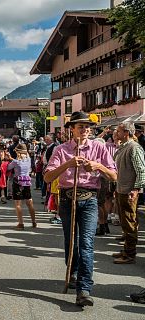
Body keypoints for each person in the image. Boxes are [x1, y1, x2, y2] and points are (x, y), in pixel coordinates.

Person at [44, 111, 117, 307]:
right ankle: (73, 271)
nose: (85, 130)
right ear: (72, 130)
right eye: (80, 126)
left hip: (90, 200)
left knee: (86, 243)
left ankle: (84, 288)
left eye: (87, 126)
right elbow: (48, 178)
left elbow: (114, 176)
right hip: (68, 201)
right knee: (71, 241)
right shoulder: (61, 150)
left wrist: (98, 167)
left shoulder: (99, 149)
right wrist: (68, 164)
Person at [111, 121, 145, 264]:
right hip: (122, 189)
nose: (116, 134)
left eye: (118, 131)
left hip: (129, 191)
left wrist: (136, 189)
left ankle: (130, 254)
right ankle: (126, 250)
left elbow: (141, 171)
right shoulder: (124, 147)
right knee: (125, 222)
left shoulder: (134, 148)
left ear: (126, 132)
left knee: (130, 222)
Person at [7, 144, 36, 229]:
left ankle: (21, 223)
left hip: (17, 182)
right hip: (26, 182)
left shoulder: (15, 161)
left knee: (18, 204)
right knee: (29, 203)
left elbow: (9, 167)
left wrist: (9, 159)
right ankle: (34, 222)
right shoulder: (29, 160)